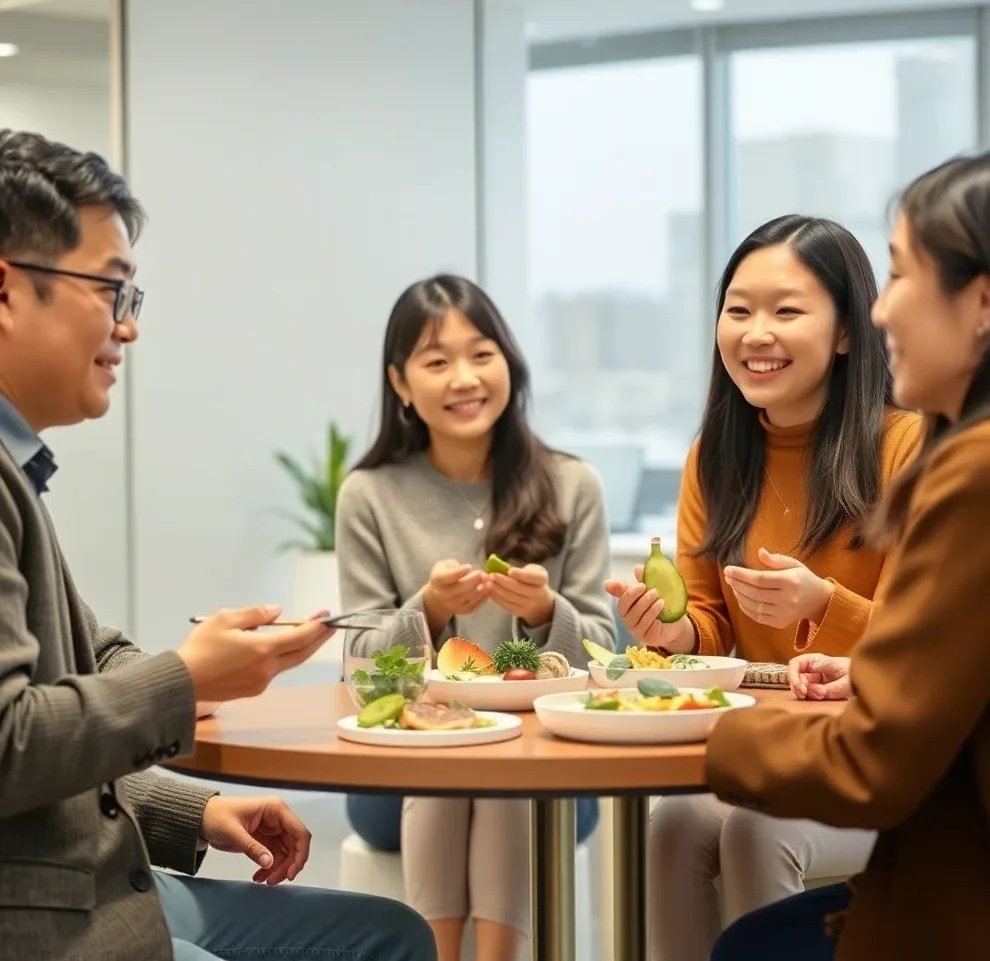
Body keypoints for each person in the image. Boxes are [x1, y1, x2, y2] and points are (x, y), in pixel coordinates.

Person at [0, 129, 436, 961]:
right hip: (46, 916)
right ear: (6, 290)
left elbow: (95, 659)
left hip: (92, 878)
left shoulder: (17, 467)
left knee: (391, 934)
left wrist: (192, 805)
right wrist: (189, 679)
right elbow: (12, 744)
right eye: (111, 291)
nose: (129, 328)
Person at [705, 149, 990, 961]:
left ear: (982, 303)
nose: (882, 312)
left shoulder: (987, 468)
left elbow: (872, 764)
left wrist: (709, 732)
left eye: (902, 275)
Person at [604, 215, 922, 960]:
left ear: (846, 333)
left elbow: (927, 641)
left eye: (786, 311)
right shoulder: (713, 457)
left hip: (882, 759)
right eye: (739, 310)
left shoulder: (907, 446)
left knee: (755, 829)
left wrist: (825, 606)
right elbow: (707, 624)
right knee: (674, 822)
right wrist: (671, 631)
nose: (755, 334)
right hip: (772, 745)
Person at [336, 274, 616, 961]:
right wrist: (429, 611)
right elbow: (358, 662)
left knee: (501, 762)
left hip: (548, 772)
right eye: (437, 361)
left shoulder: (572, 484)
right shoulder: (368, 494)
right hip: (401, 775)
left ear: (508, 363)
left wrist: (546, 612)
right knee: (455, 752)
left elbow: (606, 656)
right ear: (400, 384)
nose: (464, 378)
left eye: (481, 354)